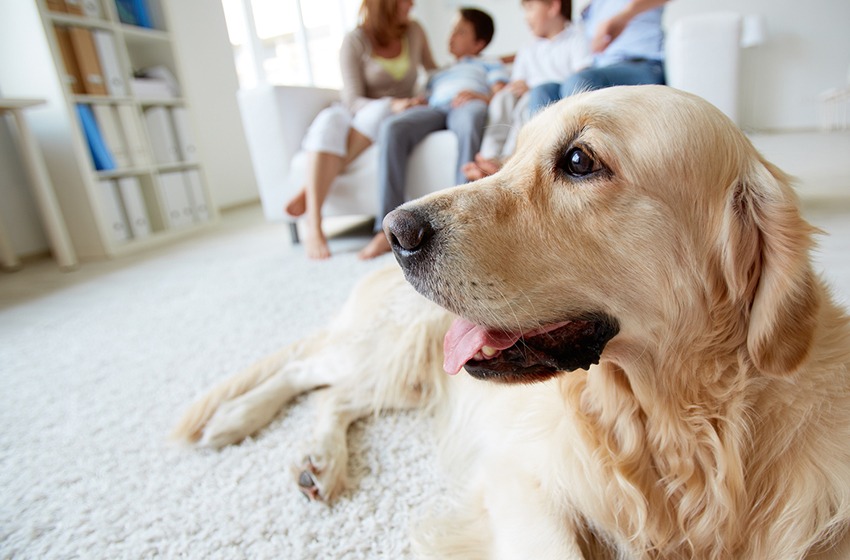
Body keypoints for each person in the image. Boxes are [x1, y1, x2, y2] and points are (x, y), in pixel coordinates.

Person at [285, 0, 437, 260]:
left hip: (396, 115)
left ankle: (311, 188)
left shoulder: (414, 31)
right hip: (361, 113)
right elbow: (353, 99)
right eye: (405, 0)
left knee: (382, 114)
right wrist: (393, 103)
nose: (412, 5)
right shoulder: (355, 41)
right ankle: (314, 225)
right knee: (329, 120)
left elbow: (433, 71)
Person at [358, 7, 508, 260]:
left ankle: (462, 220)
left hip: (467, 104)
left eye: (460, 32)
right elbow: (426, 97)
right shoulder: (438, 74)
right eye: (452, 29)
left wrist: (481, 96)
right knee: (393, 127)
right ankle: (384, 230)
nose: (452, 36)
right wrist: (417, 102)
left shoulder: (489, 63)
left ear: (479, 42)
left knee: (472, 118)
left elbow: (502, 90)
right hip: (435, 108)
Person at [463, 0, 591, 181]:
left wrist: (529, 88)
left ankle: (508, 160)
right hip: (524, 95)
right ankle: (488, 156)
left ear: (553, 7)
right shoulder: (528, 48)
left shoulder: (577, 38)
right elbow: (517, 81)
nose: (526, 17)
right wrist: (512, 88)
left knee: (527, 102)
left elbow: (580, 81)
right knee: (504, 99)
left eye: (530, 8)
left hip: (548, 99)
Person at [528, 0, 670, 113]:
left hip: (642, 65)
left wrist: (624, 16)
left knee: (579, 81)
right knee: (543, 91)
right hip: (600, 71)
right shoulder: (590, 10)